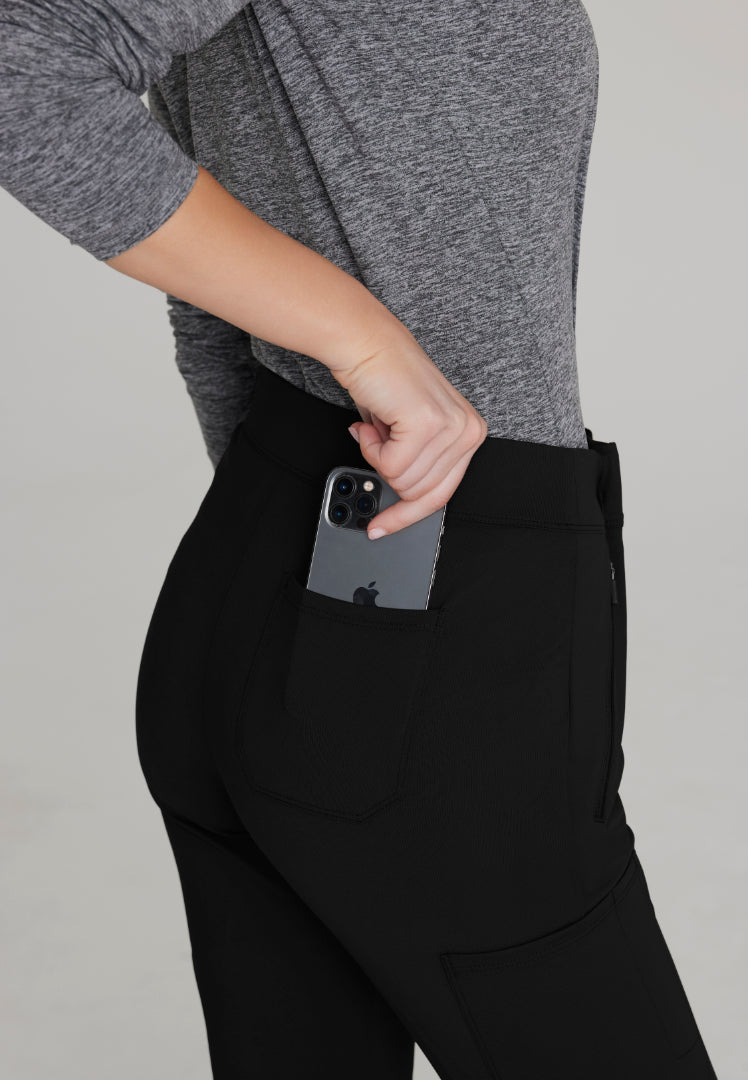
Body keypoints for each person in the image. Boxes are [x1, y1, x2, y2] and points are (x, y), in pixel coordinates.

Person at [0, 3, 719, 1077]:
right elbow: (21, 68)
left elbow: (215, 207)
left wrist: (279, 551)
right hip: (427, 616)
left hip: (306, 572)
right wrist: (363, 341)